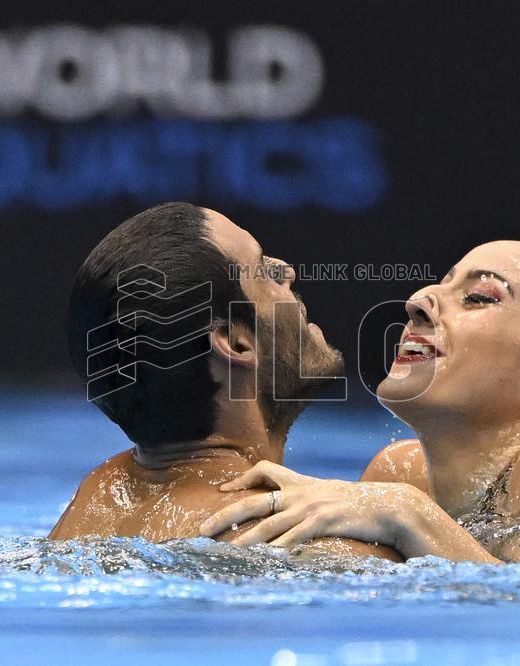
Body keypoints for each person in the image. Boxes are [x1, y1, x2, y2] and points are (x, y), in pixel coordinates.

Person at [200, 240, 520, 563]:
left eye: (479, 297)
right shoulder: (402, 472)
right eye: (440, 284)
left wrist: (407, 515)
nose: (418, 300)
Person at [48, 202, 399, 560]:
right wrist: (416, 514)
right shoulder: (311, 545)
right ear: (236, 343)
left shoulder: (95, 498)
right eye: (264, 271)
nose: (288, 272)